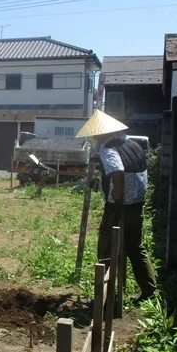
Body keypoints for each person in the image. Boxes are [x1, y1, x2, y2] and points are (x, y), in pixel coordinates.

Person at [76, 110, 156, 302]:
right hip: (136, 205)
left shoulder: (109, 149)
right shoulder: (134, 145)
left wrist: (116, 198)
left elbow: (118, 171)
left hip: (118, 207)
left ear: (104, 133)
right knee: (135, 248)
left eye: (96, 135)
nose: (95, 139)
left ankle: (105, 296)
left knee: (106, 251)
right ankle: (150, 291)